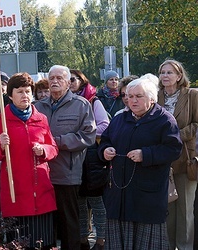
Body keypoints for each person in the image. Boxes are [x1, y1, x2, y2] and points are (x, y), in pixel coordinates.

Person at [98, 77, 182, 249]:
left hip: (147, 195)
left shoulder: (164, 120)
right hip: (119, 194)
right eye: (129, 96)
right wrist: (105, 151)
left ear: (152, 98)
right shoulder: (120, 118)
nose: (133, 100)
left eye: (139, 96)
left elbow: (174, 149)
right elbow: (105, 140)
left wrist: (146, 154)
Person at [0, 72, 59, 249]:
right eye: (20, 91)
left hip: (41, 191)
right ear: (10, 95)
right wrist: (2, 147)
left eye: (28, 91)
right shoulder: (1, 121)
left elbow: (54, 149)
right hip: (16, 193)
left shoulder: (41, 119)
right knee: (19, 244)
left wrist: (43, 150)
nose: (25, 95)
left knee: (44, 243)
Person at [34, 65, 96, 250]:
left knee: (69, 223)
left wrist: (55, 142)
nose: (54, 81)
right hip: (41, 174)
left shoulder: (81, 105)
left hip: (67, 173)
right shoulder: (38, 107)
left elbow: (88, 136)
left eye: (59, 78)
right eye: (51, 77)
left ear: (69, 82)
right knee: (45, 225)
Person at [156, 59, 198, 250]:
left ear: (179, 76)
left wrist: (176, 136)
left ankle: (185, 246)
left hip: (185, 159)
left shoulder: (192, 95)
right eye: (162, 72)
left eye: (169, 72)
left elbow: (197, 124)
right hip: (162, 160)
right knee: (167, 209)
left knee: (185, 209)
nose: (165, 76)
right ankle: (168, 245)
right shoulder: (155, 97)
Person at [69, 69, 109, 250]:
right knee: (80, 200)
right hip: (74, 156)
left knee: (96, 200)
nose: (69, 83)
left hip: (92, 156)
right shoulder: (65, 102)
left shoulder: (93, 100)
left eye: (72, 79)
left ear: (81, 81)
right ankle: (83, 238)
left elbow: (104, 126)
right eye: (66, 80)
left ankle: (100, 240)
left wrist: (83, 134)